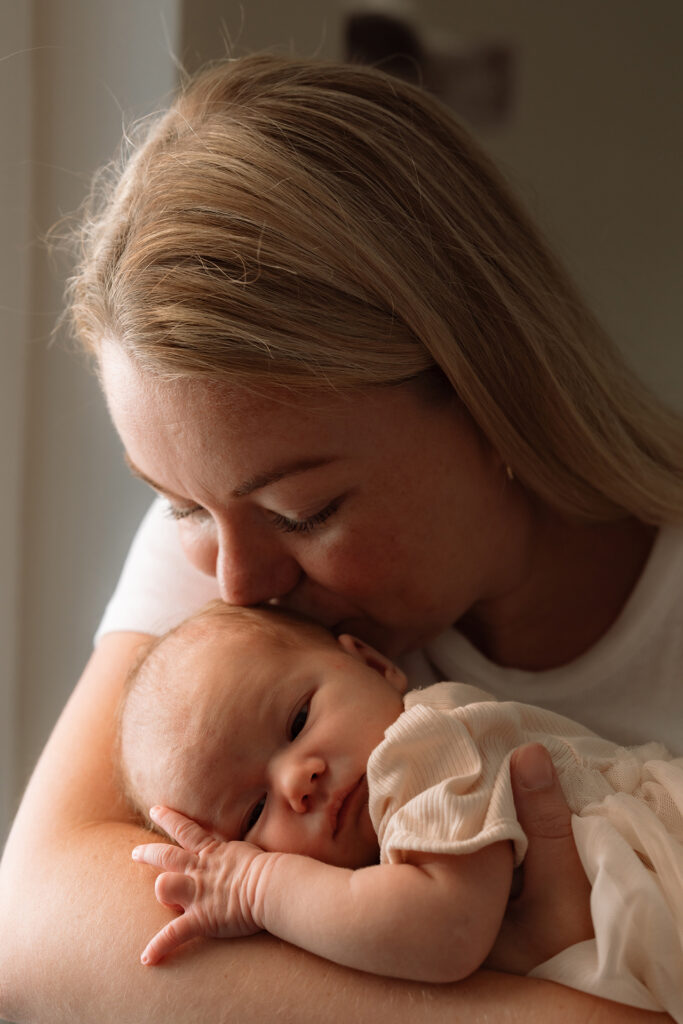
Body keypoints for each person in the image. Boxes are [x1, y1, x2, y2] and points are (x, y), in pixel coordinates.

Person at [1, 52, 682, 1024]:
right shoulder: (242, 571)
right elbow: (37, 925)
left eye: (306, 513)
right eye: (181, 506)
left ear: (486, 387)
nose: (236, 584)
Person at [119, 601, 683, 1017]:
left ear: (373, 663)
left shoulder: (422, 743)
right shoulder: (386, 857)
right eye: (253, 813)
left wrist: (258, 887)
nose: (297, 780)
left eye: (298, 720)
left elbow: (449, 930)